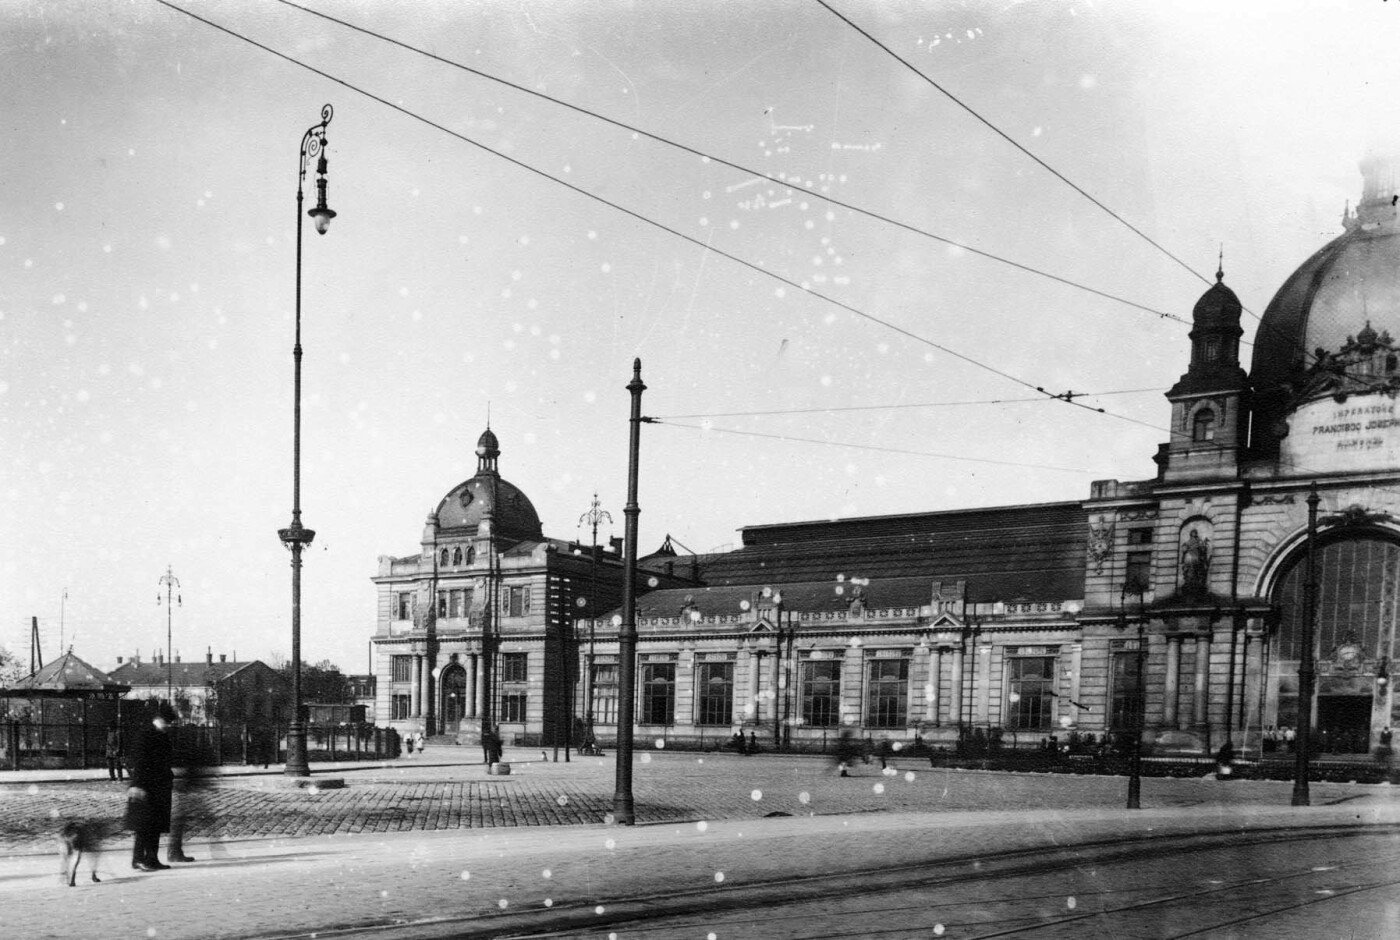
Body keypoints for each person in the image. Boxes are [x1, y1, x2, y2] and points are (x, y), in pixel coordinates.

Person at [126, 701, 176, 872]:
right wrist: (137, 784)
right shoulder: (146, 735)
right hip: (146, 786)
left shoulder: (160, 735)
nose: (168, 725)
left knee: (153, 826)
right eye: (166, 721)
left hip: (158, 786)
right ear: (158, 719)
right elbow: (139, 762)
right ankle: (141, 859)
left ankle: (150, 858)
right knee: (145, 825)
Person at [168, 734, 216, 864]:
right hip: (187, 789)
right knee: (181, 820)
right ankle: (174, 852)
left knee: (181, 820)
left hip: (186, 788)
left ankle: (174, 851)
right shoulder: (195, 749)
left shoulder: (186, 747)